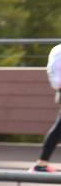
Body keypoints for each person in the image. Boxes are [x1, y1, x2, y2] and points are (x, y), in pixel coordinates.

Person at [31, 41, 61, 172]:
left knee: (58, 128)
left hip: (59, 90)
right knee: (58, 128)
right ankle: (41, 164)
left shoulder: (57, 50)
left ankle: (42, 163)